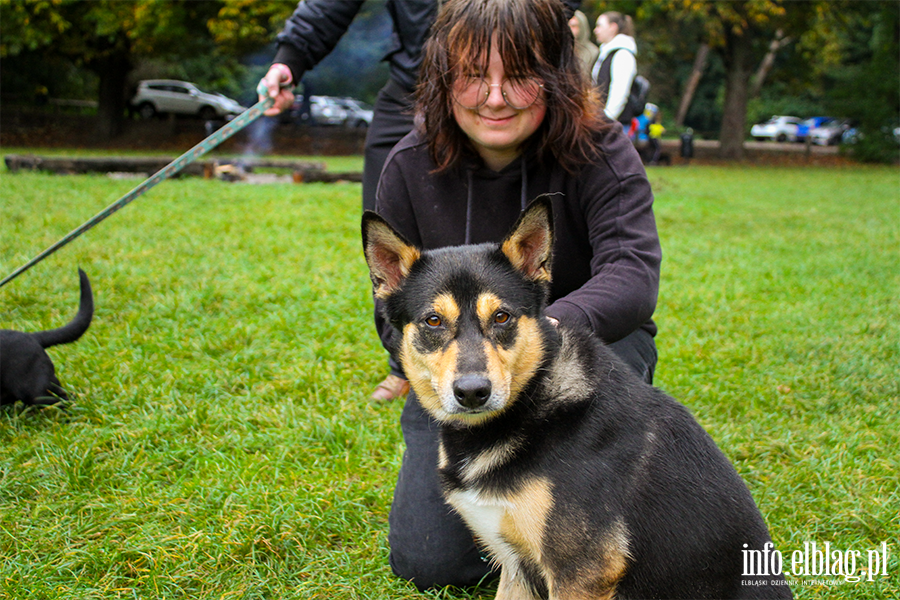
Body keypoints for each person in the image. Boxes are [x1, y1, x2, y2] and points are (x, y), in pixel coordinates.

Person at [373, 0, 661, 589]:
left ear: (556, 75)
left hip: (586, 354)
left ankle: (605, 486)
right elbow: (390, 307)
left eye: (520, 74)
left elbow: (632, 271)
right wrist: (429, 367)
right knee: (431, 562)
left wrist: (547, 331)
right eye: (475, 74)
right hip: (459, 376)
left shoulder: (601, 150)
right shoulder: (406, 166)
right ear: (443, 78)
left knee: (574, 543)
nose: (496, 97)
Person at [258, 0, 580, 402]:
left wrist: (548, 25)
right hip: (411, 81)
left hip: (518, 74)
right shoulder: (403, 150)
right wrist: (292, 58)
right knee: (392, 250)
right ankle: (408, 365)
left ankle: (513, 349)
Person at [591, 11, 638, 125]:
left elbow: (619, 93)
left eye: (599, 26)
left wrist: (606, 120)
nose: (595, 30)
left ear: (613, 27)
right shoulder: (604, 53)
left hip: (616, 125)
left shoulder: (622, 54)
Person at [568, 10, 599, 79]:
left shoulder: (593, 52)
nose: (569, 29)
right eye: (568, 25)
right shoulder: (563, 50)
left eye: (573, 26)